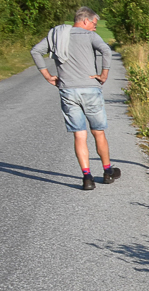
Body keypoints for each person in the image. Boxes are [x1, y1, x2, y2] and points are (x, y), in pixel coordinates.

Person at [30, 6, 120, 190]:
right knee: (98, 132)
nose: (95, 27)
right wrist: (103, 75)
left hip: (68, 90)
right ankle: (107, 171)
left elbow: (35, 51)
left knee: (79, 134)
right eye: (94, 24)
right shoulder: (90, 36)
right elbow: (107, 51)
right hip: (90, 89)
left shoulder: (57, 35)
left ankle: (87, 178)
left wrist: (48, 76)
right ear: (85, 20)